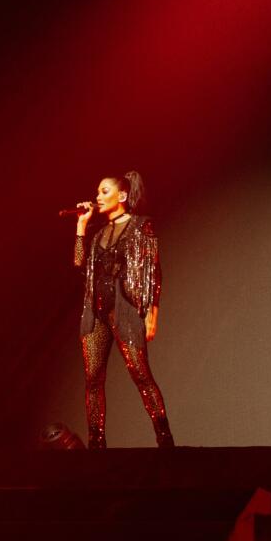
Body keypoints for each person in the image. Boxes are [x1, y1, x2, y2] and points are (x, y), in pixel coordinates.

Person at [74, 170, 174, 449]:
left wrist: (153, 309)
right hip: (96, 314)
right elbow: (80, 265)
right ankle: (96, 443)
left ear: (122, 196)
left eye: (104, 191)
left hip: (125, 310)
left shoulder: (142, 226)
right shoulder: (98, 235)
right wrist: (82, 227)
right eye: (97, 192)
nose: (97, 197)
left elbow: (154, 268)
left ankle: (165, 439)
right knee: (93, 380)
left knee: (141, 375)